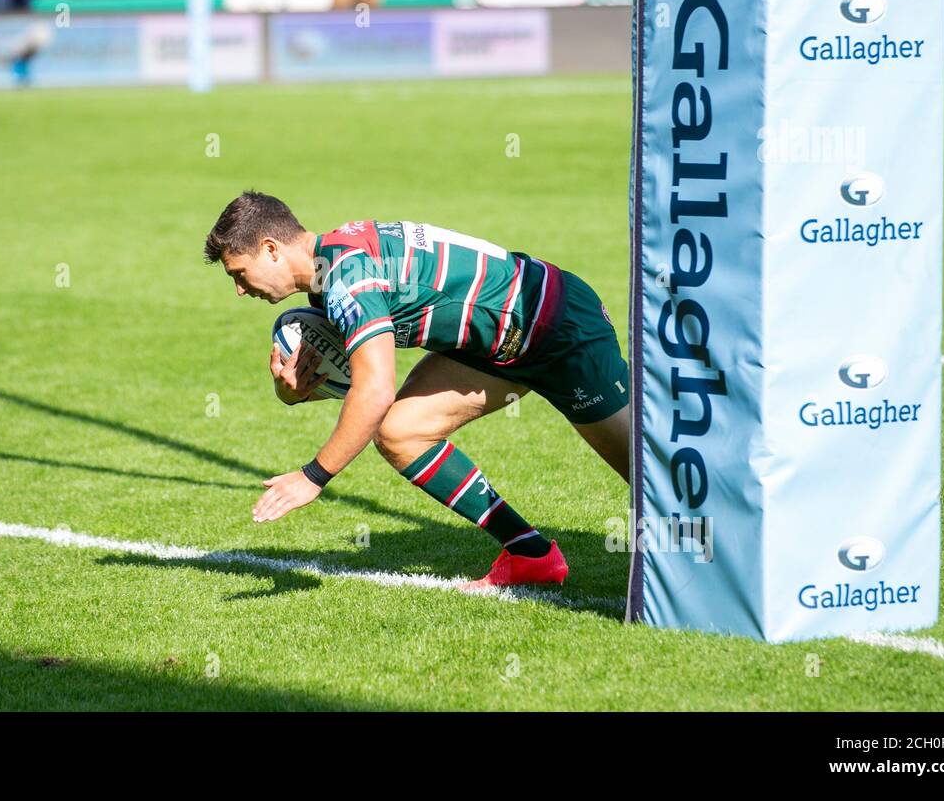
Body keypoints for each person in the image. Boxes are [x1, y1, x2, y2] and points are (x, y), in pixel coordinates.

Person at [203, 191, 631, 590]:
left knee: (649, 473)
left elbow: (374, 391)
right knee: (400, 432)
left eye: (239, 274)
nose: (240, 290)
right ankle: (530, 554)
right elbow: (353, 381)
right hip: (500, 346)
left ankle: (694, 557)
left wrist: (313, 477)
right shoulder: (333, 263)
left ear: (271, 249)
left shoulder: (345, 279)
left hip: (557, 327)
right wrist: (292, 392)